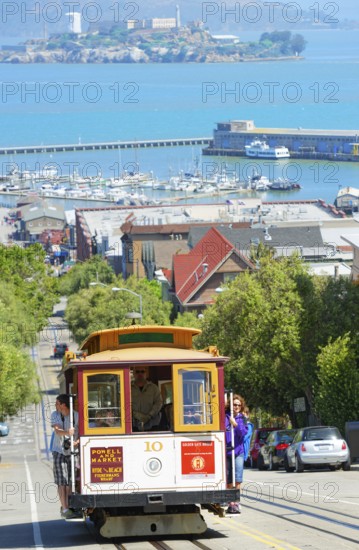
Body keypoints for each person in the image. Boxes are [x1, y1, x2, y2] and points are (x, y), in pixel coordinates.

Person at [51, 394, 81, 520]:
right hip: (58, 451)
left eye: (57, 403)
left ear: (64, 404)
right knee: (61, 481)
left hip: (72, 451)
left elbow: (82, 434)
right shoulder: (55, 414)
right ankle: (64, 508)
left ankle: (69, 505)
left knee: (70, 481)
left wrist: (76, 442)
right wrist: (67, 433)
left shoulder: (77, 416)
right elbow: (57, 430)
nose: (55, 405)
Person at [225, 394, 248, 514]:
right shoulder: (224, 417)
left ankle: (236, 502)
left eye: (239, 405)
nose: (237, 407)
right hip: (227, 452)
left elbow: (243, 433)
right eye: (235, 404)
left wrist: (235, 424)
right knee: (229, 479)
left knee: (238, 479)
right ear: (230, 405)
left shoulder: (242, 418)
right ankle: (230, 503)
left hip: (238, 452)